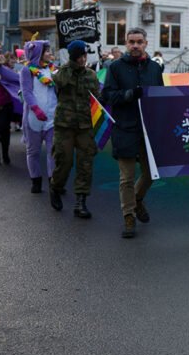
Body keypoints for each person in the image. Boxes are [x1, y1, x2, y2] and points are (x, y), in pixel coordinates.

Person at [102, 27, 164, 238]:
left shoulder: (155, 68)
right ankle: (128, 215)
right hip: (125, 128)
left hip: (148, 130)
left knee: (150, 174)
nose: (135, 45)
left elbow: (162, 96)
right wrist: (128, 94)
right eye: (131, 42)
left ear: (146, 43)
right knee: (126, 178)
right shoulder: (116, 67)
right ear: (126, 44)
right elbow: (108, 95)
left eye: (139, 41)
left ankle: (137, 199)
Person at [50, 40, 100, 217]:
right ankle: (56, 187)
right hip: (65, 126)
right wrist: (71, 65)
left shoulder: (91, 75)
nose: (83, 59)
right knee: (64, 161)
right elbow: (59, 81)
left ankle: (81, 202)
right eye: (79, 56)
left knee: (85, 164)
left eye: (84, 56)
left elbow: (97, 100)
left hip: (85, 126)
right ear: (73, 57)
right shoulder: (63, 72)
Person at [20, 39, 57, 193]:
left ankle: (54, 183)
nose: (50, 54)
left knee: (53, 152)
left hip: (52, 118)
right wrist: (36, 108)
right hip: (33, 118)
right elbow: (27, 92)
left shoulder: (53, 69)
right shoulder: (27, 70)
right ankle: (36, 180)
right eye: (47, 51)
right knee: (33, 151)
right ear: (38, 53)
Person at [0, 43, 16, 165]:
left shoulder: (4, 69)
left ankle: (5, 155)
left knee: (4, 130)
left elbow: (14, 79)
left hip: (5, 105)